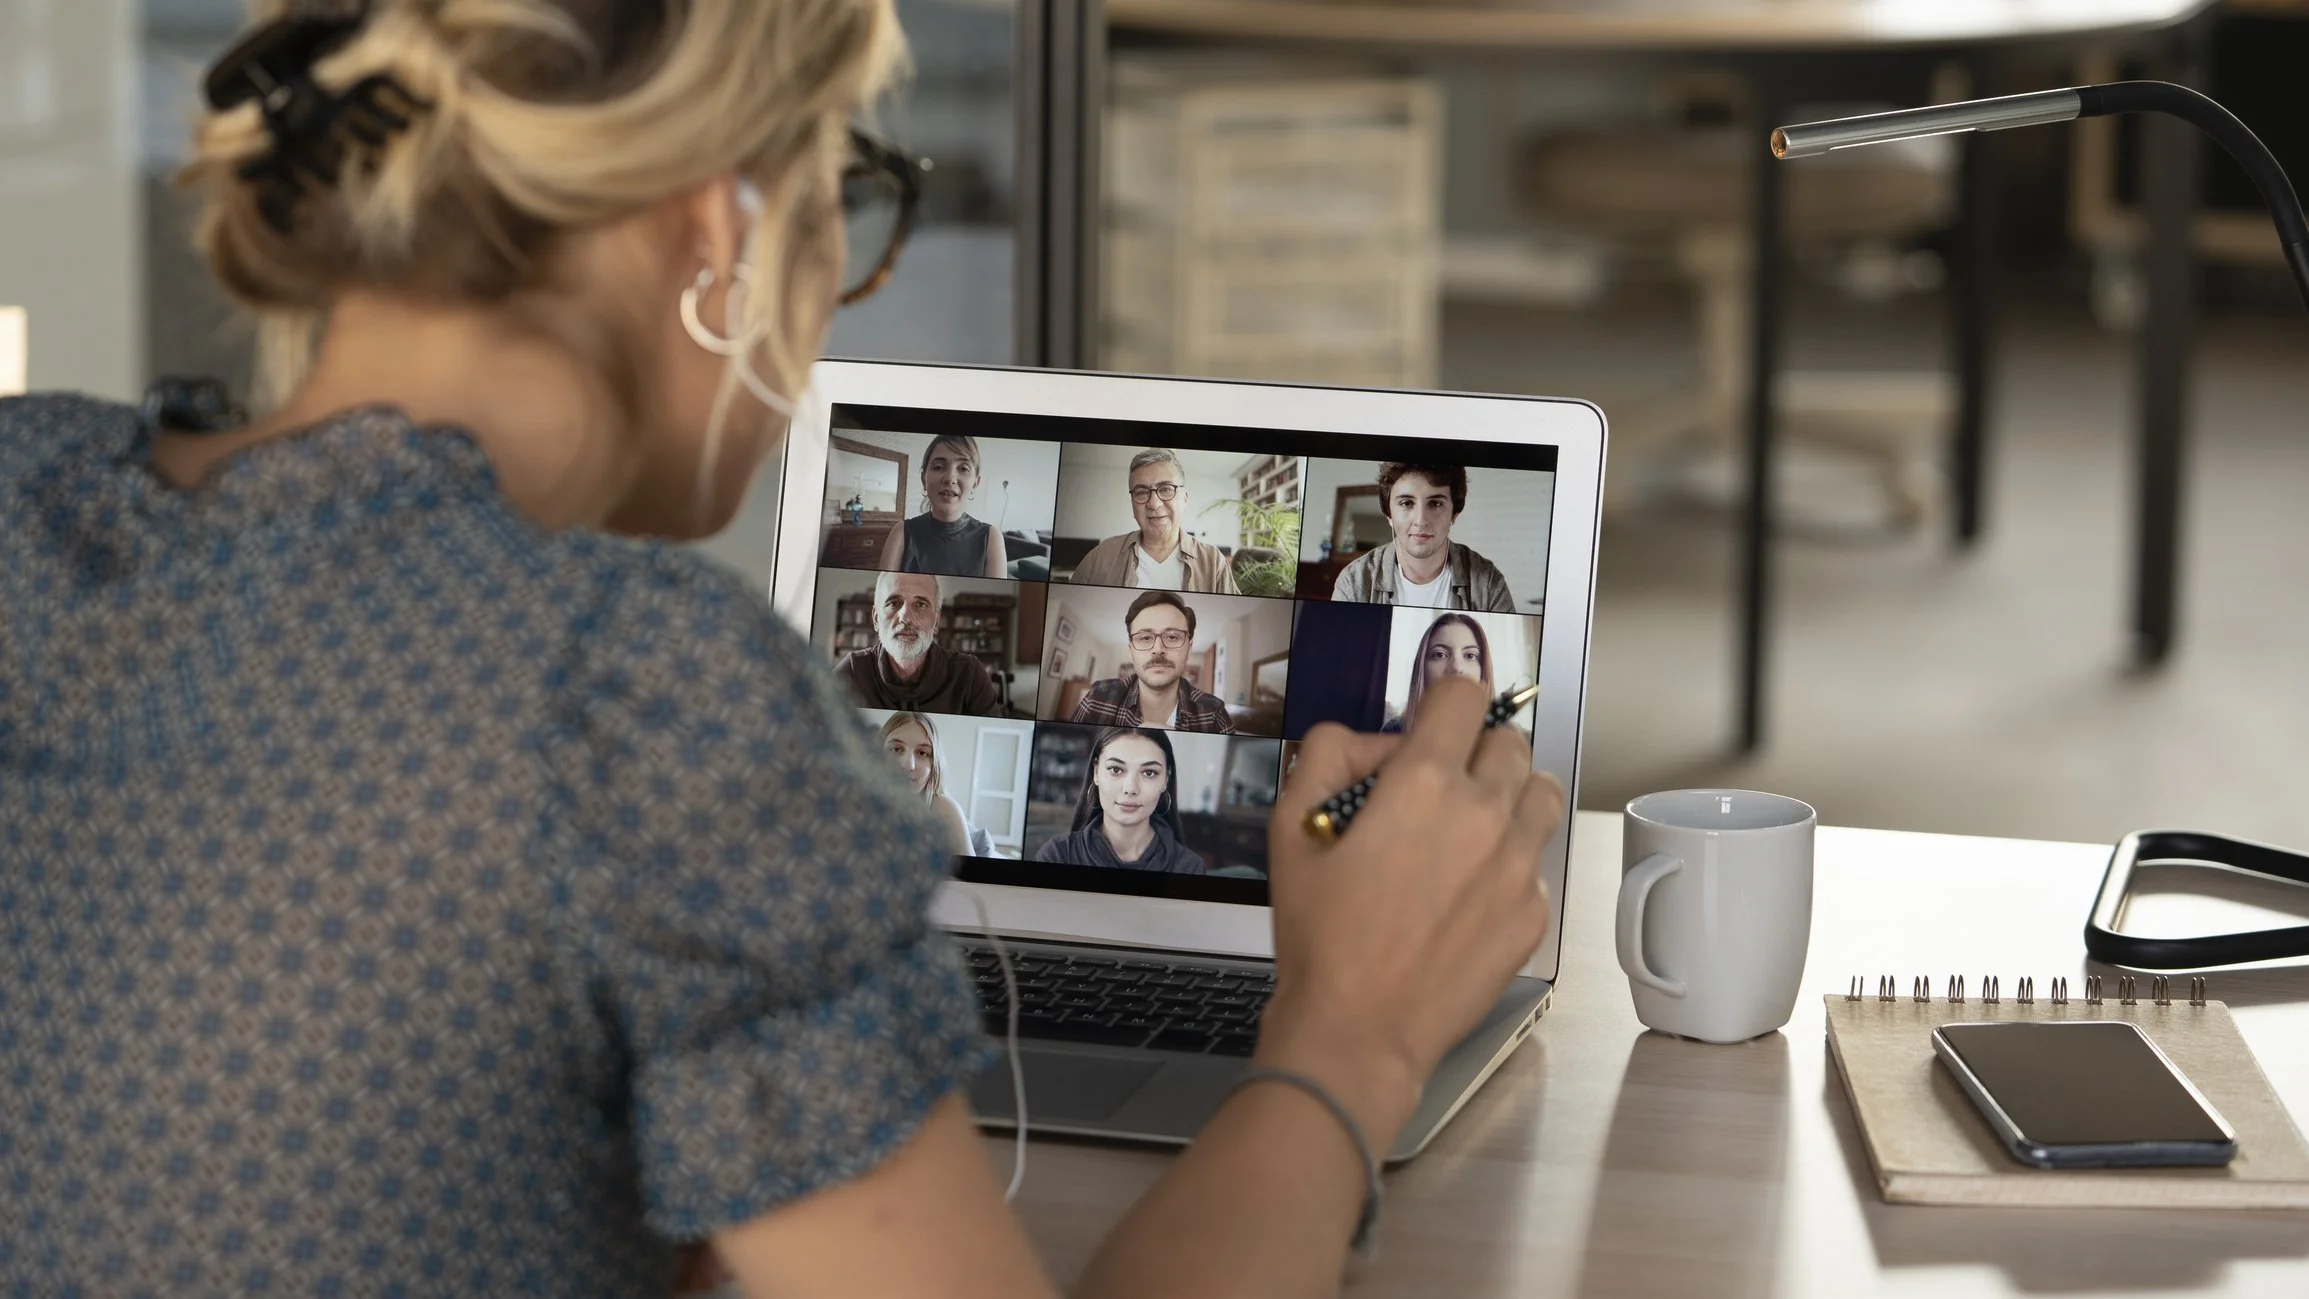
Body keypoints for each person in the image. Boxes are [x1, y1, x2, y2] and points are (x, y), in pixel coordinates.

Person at [0, 0, 1564, 1294]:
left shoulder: (23, 492)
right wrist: (1352, 1026)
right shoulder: (635, 691)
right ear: (720, 226)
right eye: (848, 195)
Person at [1331, 463, 1516, 611]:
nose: (1421, 520)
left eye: (1435, 503)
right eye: (1406, 503)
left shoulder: (1488, 582)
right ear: (1389, 515)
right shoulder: (1354, 581)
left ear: (1454, 513)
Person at [1033, 728, 1207, 873]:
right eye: (1116, 770)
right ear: (1096, 773)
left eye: (1149, 773)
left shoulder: (1190, 868)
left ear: (1165, 780)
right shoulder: (1057, 856)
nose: (1130, 788)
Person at [1066, 448, 1240, 592]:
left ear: (1184, 499)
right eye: (1141, 492)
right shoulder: (1101, 556)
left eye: (1166, 489)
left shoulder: (1213, 561)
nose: (1154, 504)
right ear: (1133, 504)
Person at [834, 570, 1002, 715]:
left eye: (920, 604)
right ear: (876, 619)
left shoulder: (969, 675)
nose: (905, 617)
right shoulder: (852, 671)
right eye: (894, 603)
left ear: (936, 622)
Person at [1068, 591, 1234, 732]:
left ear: (1189, 649)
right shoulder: (1097, 698)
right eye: (1145, 638)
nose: (1158, 649)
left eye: (1172, 637)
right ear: (1131, 650)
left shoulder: (1213, 712)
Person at [878, 432, 1007, 578]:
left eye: (963, 468)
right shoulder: (901, 533)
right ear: (923, 478)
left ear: (976, 482)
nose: (950, 478)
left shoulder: (991, 538)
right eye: (939, 467)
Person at [879, 711, 998, 857]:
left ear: (934, 764)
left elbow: (970, 876)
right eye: (896, 749)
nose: (909, 765)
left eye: (922, 753)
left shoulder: (943, 808)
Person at [1384, 613, 1494, 734]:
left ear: (1483, 671)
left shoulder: (1506, 736)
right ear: (1422, 669)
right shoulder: (1395, 731)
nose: (1456, 668)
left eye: (1470, 656)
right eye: (1440, 654)